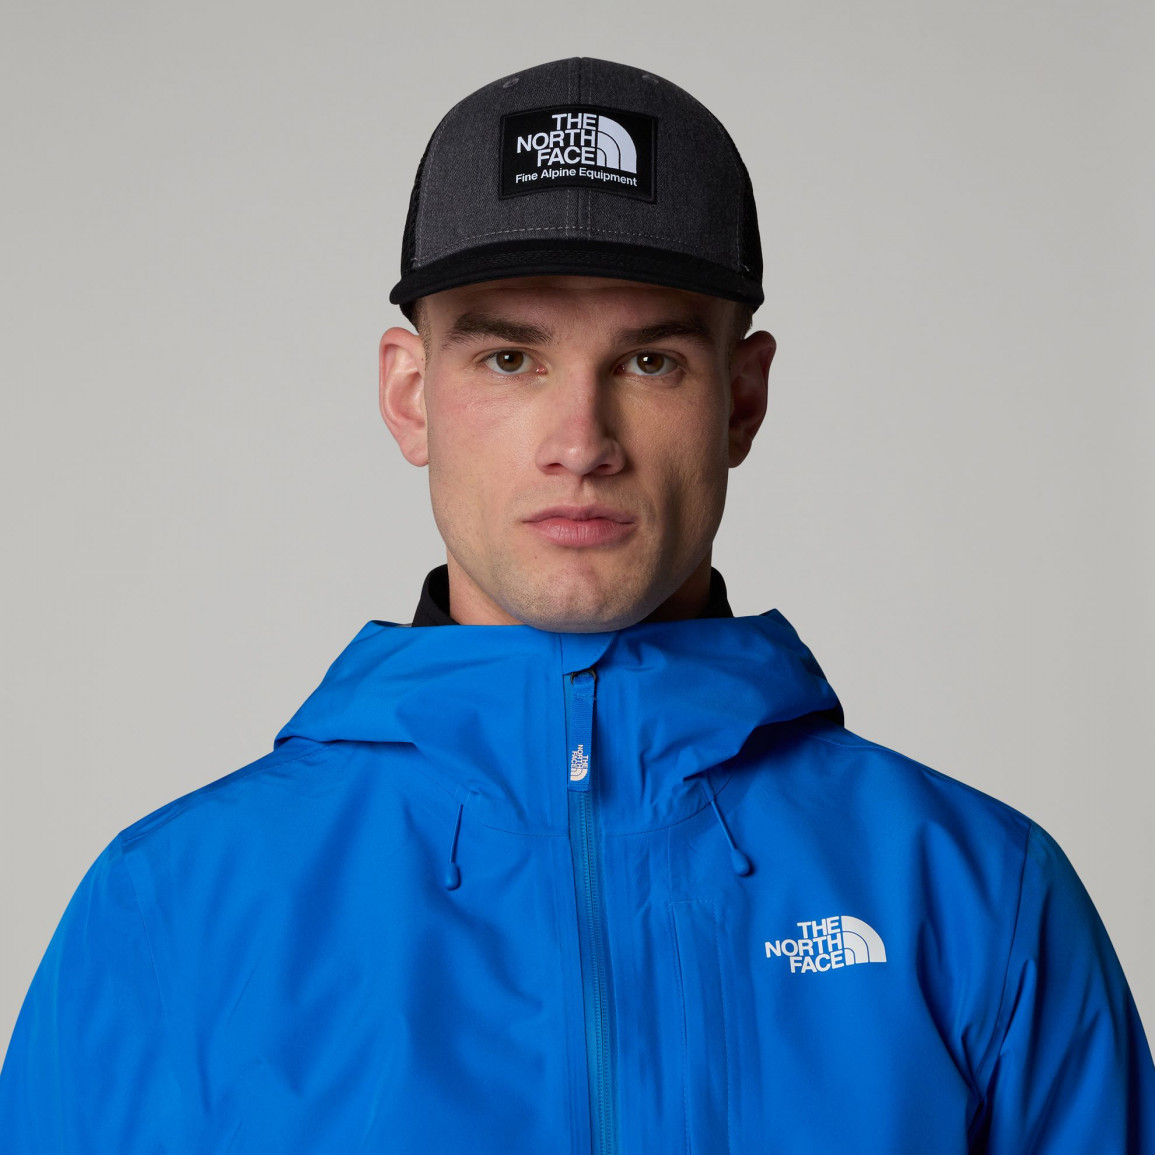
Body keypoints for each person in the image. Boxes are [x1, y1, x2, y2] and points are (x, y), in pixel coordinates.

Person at [1, 55, 1152, 1154]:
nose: (581, 443)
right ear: (410, 396)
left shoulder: (975, 893)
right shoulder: (173, 909)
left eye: (651, 363)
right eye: (511, 360)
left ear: (742, 400)